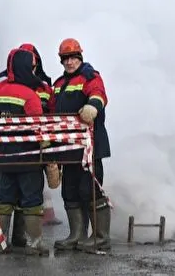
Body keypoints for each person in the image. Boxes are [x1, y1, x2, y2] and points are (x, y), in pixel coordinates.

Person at [49, 38, 111, 252]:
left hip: (89, 147)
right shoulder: (58, 84)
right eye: (65, 58)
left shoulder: (89, 77)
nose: (69, 62)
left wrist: (92, 107)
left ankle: (100, 237)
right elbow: (51, 110)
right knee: (70, 191)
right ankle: (76, 236)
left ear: (80, 57)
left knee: (90, 190)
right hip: (69, 148)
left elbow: (99, 94)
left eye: (72, 57)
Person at [0, 43, 58, 249]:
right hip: (29, 159)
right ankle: (34, 245)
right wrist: (48, 154)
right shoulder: (30, 94)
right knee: (31, 201)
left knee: (3, 201)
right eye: (31, 67)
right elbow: (40, 128)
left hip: (4, 159)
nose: (33, 71)